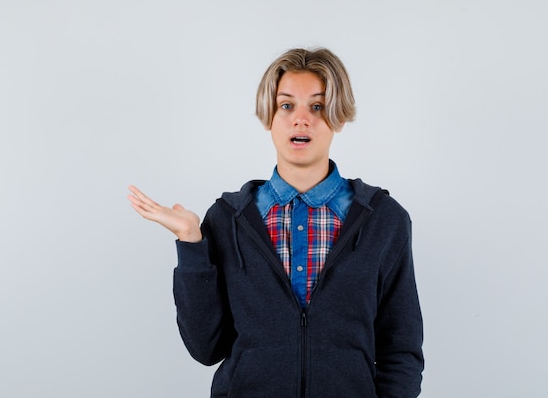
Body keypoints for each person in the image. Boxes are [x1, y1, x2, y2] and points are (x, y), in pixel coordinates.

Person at [128, 47, 424, 398]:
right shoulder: (227, 219)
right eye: (287, 106)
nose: (301, 119)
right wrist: (192, 243)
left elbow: (401, 349)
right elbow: (205, 348)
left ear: (339, 117)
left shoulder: (384, 220)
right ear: (269, 116)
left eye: (317, 106)